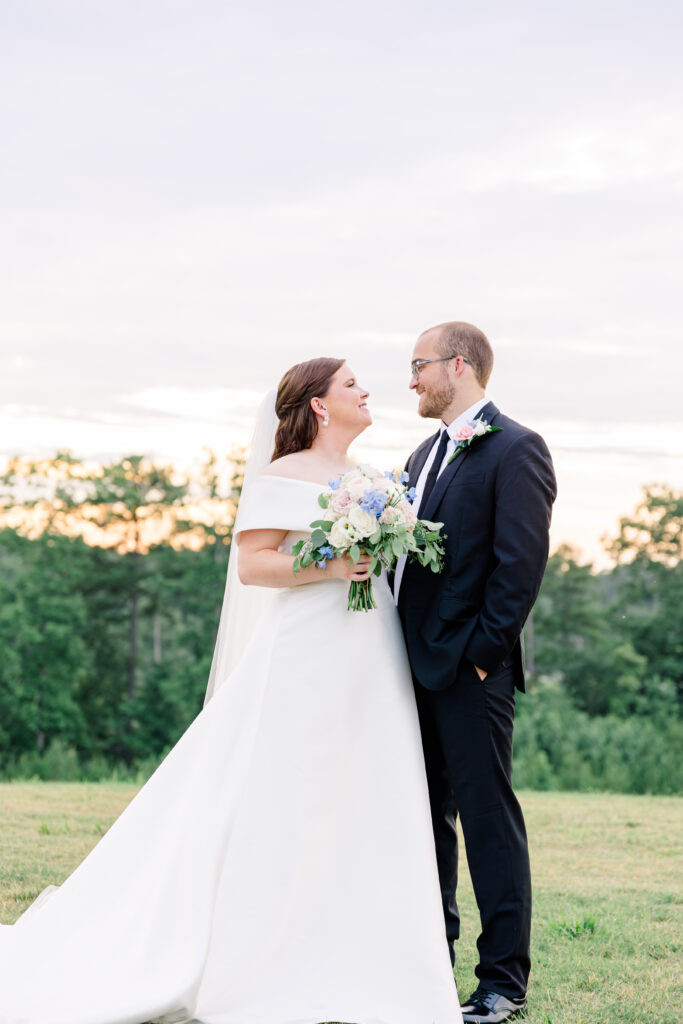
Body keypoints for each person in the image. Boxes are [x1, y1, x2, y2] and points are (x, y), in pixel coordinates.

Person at [0, 356, 462, 1024]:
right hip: (306, 649)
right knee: (285, 791)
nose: (367, 391)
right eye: (352, 384)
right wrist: (334, 564)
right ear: (321, 406)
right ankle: (265, 956)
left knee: (366, 784)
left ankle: (361, 955)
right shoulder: (283, 475)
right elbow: (254, 564)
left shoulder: (371, 480)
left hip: (371, 647)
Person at [394, 323, 557, 1024]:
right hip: (407, 672)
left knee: (488, 822)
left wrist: (482, 656)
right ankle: (432, 965)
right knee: (424, 823)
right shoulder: (420, 454)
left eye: (418, 366)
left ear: (458, 366)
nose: (411, 381)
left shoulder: (517, 449)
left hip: (471, 672)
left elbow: (519, 567)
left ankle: (501, 983)